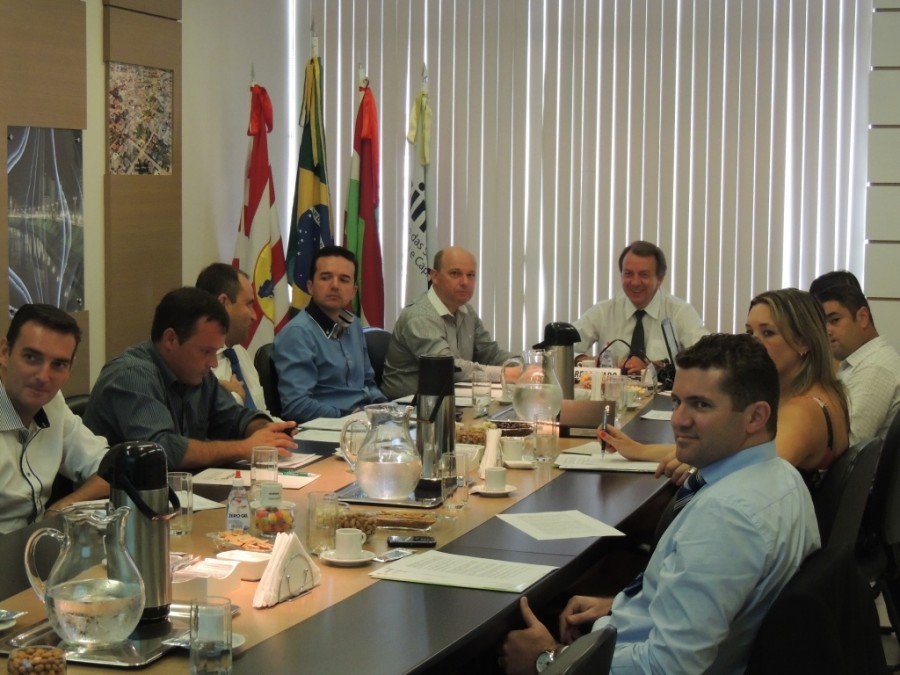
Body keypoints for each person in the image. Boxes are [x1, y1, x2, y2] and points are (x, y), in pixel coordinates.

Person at [500, 333, 821, 674]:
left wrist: (549, 658)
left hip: (624, 663)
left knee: (490, 643)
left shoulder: (726, 517)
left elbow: (666, 668)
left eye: (701, 405)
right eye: (678, 401)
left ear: (755, 417)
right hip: (631, 638)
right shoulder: (784, 478)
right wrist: (627, 605)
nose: (679, 420)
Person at [605, 289, 850, 485]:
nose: (753, 343)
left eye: (768, 333)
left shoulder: (803, 411)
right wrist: (641, 451)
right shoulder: (814, 391)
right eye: (750, 332)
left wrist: (698, 463)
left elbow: (753, 472)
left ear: (803, 342)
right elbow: (736, 452)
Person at [84, 288, 296, 469]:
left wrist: (265, 432)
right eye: (205, 351)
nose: (213, 363)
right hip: (116, 500)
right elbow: (161, 450)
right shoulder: (130, 375)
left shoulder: (193, 372)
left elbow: (234, 418)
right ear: (171, 339)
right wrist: (243, 448)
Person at [0, 304, 110, 534]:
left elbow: (111, 468)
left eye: (58, 364)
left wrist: (61, 508)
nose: (43, 376)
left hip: (39, 542)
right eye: (31, 357)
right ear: (4, 353)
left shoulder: (51, 401)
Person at [381, 246, 517, 399]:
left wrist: (522, 366)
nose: (465, 282)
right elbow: (447, 369)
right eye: (455, 273)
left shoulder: (466, 311)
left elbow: (491, 354)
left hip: (449, 400)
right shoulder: (419, 316)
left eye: (471, 275)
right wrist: (506, 374)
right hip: (407, 407)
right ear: (435, 276)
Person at [273, 246, 386, 423]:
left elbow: (368, 382)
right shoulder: (297, 334)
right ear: (310, 287)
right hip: (328, 428)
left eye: (344, 280)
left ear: (353, 291)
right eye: (325, 278)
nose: (335, 285)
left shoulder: (354, 325)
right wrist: (347, 417)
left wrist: (383, 407)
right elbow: (297, 405)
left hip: (363, 422)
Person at [573, 240, 708, 374]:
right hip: (611, 388)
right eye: (628, 274)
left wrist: (653, 367)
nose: (635, 282)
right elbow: (563, 347)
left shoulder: (680, 312)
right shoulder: (604, 311)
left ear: (659, 279)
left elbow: (707, 358)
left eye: (643, 275)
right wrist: (584, 360)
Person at [810, 275, 900, 444]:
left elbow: (849, 444)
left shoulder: (875, 367)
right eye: (822, 324)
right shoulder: (858, 363)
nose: (827, 331)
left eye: (834, 320)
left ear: (863, 317)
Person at [195, 262, 284, 420]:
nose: (254, 316)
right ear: (223, 303)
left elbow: (262, 413)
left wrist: (286, 428)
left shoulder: (239, 353)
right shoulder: (195, 364)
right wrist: (235, 397)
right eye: (249, 304)